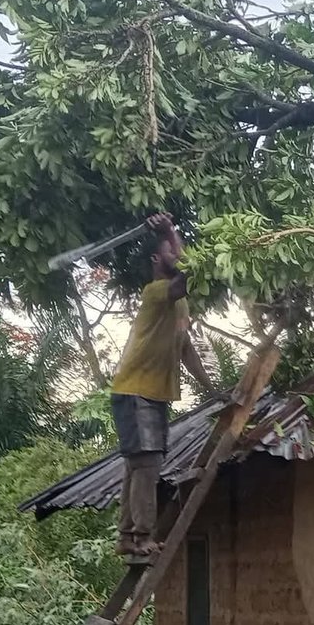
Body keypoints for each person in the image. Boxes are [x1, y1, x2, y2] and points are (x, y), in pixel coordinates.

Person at [110, 213, 212, 563]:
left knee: (138, 466)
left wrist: (212, 390)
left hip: (152, 394)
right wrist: (169, 229)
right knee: (147, 465)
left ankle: (128, 536)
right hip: (135, 391)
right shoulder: (156, 292)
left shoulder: (179, 303)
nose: (177, 253)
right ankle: (142, 536)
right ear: (157, 258)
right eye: (171, 249)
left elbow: (186, 350)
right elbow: (190, 272)